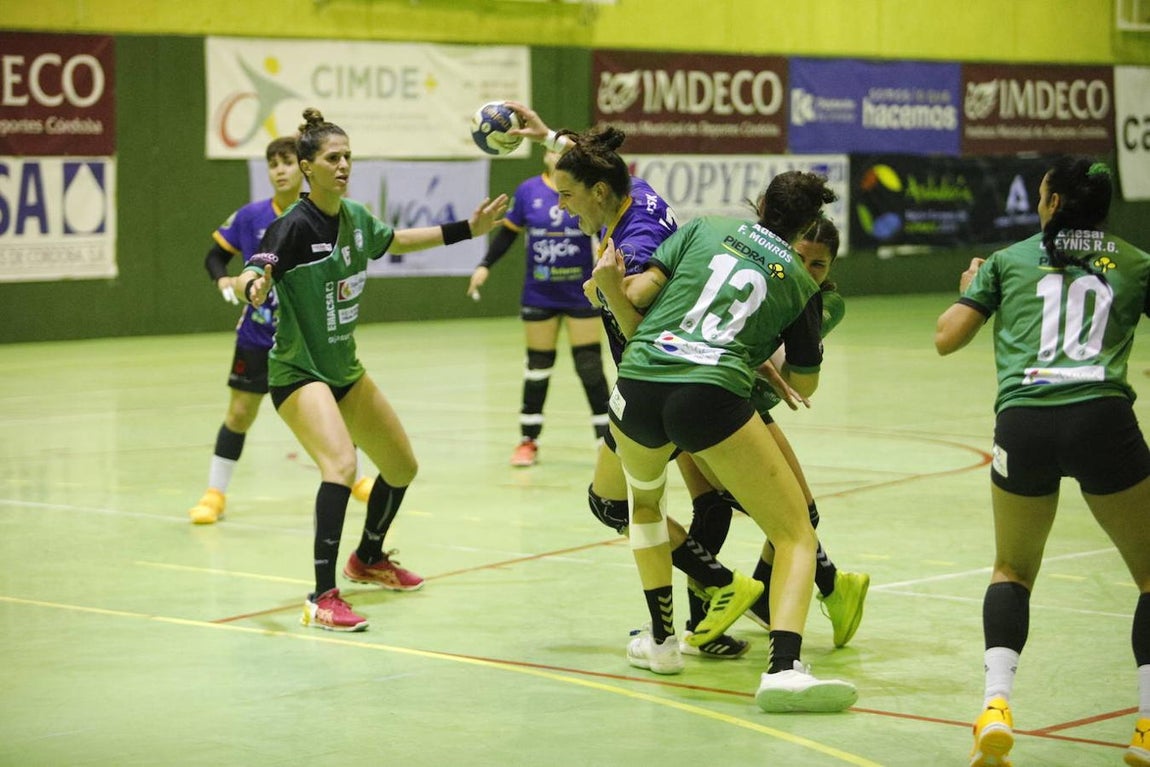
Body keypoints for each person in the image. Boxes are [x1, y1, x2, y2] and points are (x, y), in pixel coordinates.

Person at [506, 101, 762, 666]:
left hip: (654, 384)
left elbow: (643, 326)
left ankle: (721, 589)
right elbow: (590, 164)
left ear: (597, 192)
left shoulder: (636, 243)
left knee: (617, 504)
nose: (560, 206)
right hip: (686, 377)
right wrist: (547, 135)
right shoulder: (633, 192)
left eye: (566, 195)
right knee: (699, 502)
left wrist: (607, 290)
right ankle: (691, 626)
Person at [237, 108, 509, 632]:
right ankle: (322, 598)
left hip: (344, 370)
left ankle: (368, 558)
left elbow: (398, 240)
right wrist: (254, 285)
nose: (343, 166)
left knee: (401, 466)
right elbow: (256, 266)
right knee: (341, 466)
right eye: (332, 158)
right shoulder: (292, 227)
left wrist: (468, 230)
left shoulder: (356, 218)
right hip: (299, 373)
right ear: (307, 168)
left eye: (348, 157)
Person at [598, 169, 858, 712]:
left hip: (637, 382)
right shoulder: (801, 283)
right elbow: (804, 384)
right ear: (807, 224)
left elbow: (636, 294)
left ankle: (662, 643)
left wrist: (607, 283)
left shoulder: (702, 228)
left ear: (760, 203)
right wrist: (758, 355)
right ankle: (784, 669)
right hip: (708, 394)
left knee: (643, 507)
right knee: (795, 533)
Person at [934, 157, 1150, 767]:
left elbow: (946, 337)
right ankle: (1146, 727)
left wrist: (972, 288)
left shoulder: (1007, 261)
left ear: (1052, 203)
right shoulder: (1135, 262)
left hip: (1023, 423)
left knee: (1012, 569)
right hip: (1103, 419)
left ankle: (995, 708)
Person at [676, 217, 871, 650]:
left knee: (762, 513)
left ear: (832, 268)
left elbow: (788, 365)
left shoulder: (821, 302)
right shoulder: (762, 270)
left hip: (739, 403)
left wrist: (759, 356)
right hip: (708, 392)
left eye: (818, 265)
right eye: (800, 257)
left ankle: (756, 605)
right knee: (727, 510)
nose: (807, 270)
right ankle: (826, 586)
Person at [466, 150, 609, 467]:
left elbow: (604, 230)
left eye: (564, 150)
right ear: (545, 155)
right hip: (540, 293)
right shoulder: (529, 190)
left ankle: (606, 442)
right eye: (552, 149)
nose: (557, 155)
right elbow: (508, 234)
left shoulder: (585, 189)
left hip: (580, 292)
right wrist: (485, 265)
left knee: (589, 366)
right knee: (537, 367)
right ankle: (528, 441)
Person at [188, 136, 303, 525]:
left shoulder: (319, 214)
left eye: (287, 162)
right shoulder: (251, 216)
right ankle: (214, 494)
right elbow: (215, 256)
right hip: (257, 335)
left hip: (305, 336)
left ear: (304, 167)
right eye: (273, 164)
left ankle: (357, 480)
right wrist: (223, 279)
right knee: (239, 413)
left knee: (330, 409)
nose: (280, 171)